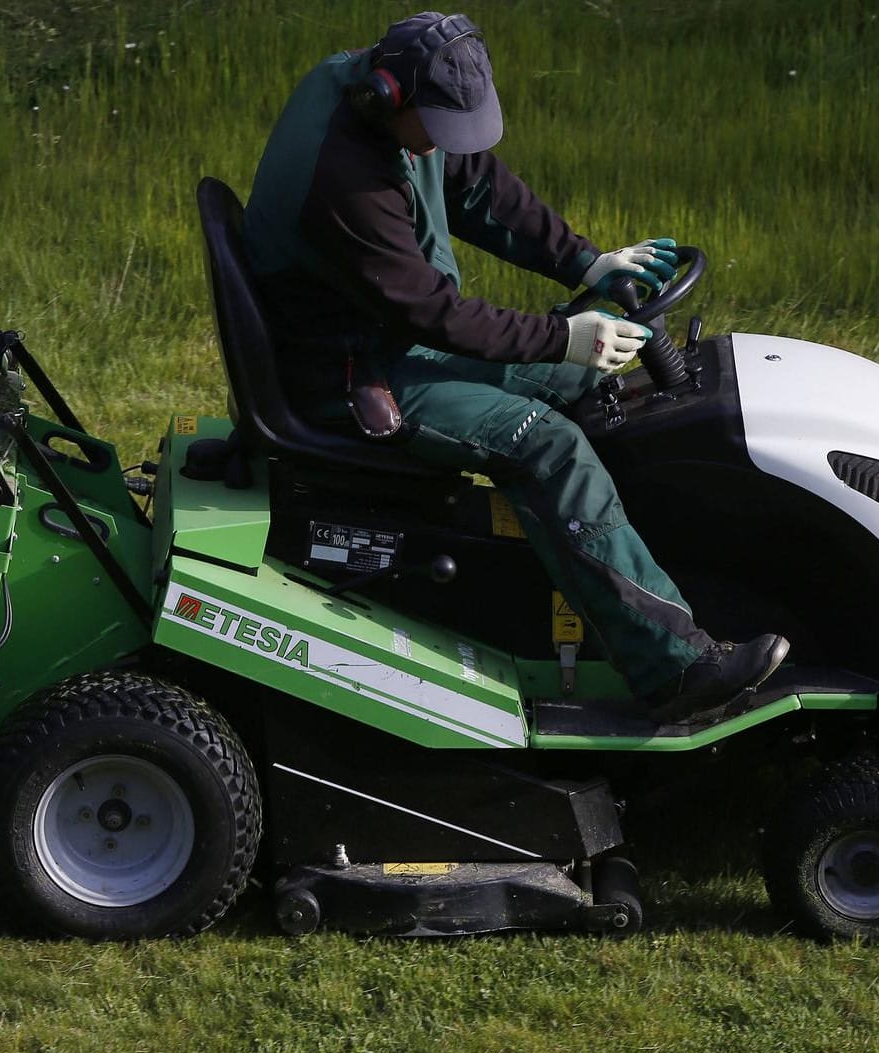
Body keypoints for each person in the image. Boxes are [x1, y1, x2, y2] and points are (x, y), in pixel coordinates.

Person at [243, 11, 787, 723]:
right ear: (389, 95)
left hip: (393, 340)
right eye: (436, 128)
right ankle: (675, 672)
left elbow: (479, 185)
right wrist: (563, 338)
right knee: (548, 444)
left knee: (612, 382)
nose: (443, 145)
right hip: (357, 378)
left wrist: (584, 259)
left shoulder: (389, 100)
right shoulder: (344, 179)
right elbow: (433, 313)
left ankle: (650, 594)